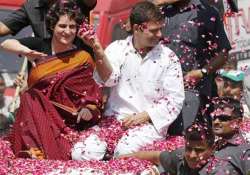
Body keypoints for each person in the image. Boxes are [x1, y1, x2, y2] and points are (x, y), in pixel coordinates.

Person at [71, 1, 185, 160]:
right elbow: (109, 79)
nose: (160, 35)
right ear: (138, 28)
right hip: (113, 121)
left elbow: (175, 99)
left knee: (125, 153)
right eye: (154, 30)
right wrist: (97, 50)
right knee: (81, 152)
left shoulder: (169, 57)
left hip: (149, 125)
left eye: (161, 29)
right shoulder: (117, 48)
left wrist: (145, 116)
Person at [0, 0, 103, 160]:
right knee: (30, 97)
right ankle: (35, 154)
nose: (67, 31)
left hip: (69, 122)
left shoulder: (83, 58)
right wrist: (25, 51)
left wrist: (88, 109)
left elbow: (91, 94)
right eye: (62, 26)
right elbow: (6, 42)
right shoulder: (40, 45)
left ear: (77, 29)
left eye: (72, 27)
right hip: (36, 117)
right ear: (52, 27)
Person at [155, 0, 232, 133]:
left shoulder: (207, 12)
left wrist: (201, 72)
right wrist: (153, 5)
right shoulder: (159, 13)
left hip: (193, 93)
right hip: (160, 94)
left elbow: (223, 53)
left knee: (188, 142)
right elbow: (129, 27)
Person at [210, 97, 250, 174]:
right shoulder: (211, 147)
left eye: (223, 118)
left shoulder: (245, 151)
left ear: (238, 122)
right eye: (214, 117)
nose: (216, 122)